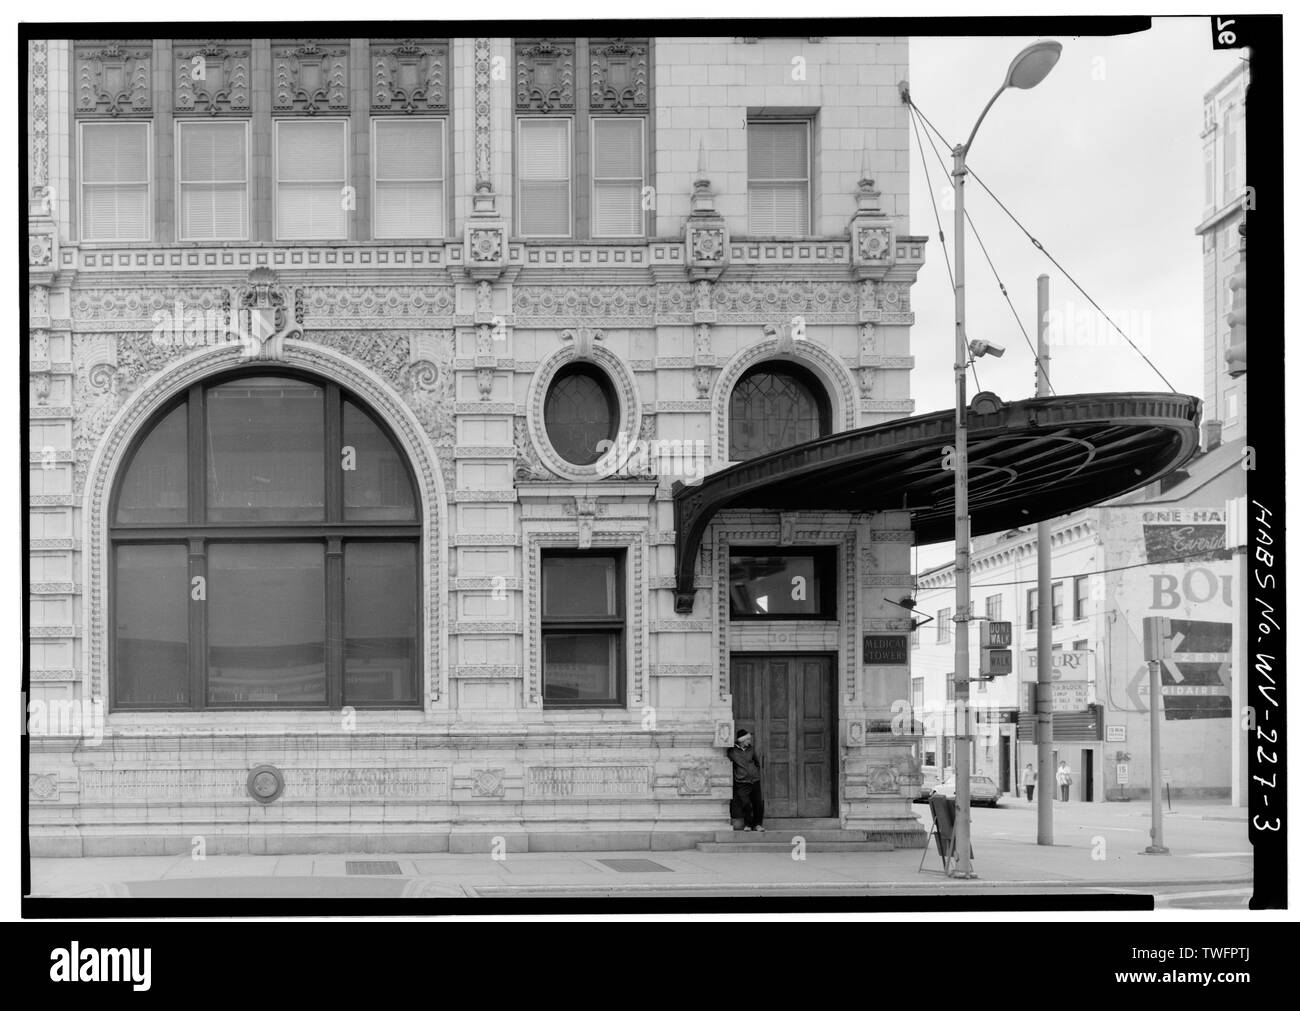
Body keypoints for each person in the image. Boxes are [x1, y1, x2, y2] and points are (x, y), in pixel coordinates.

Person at [726, 729, 765, 831]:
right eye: (748, 739)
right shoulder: (732, 751)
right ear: (742, 740)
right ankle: (748, 824)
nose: (749, 741)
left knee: (758, 804)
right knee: (746, 804)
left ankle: (758, 825)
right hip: (742, 782)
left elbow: (757, 763)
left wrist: (755, 772)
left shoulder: (751, 749)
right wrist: (739, 775)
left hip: (755, 781)